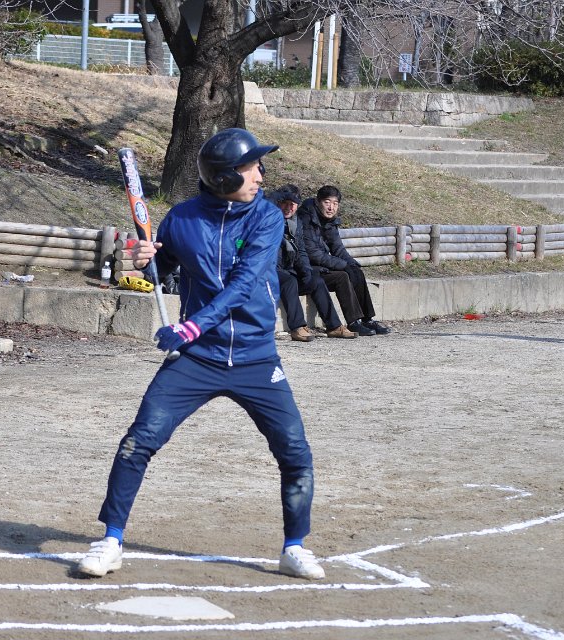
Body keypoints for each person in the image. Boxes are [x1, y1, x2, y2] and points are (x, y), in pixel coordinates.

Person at [77, 128, 325, 581]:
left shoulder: (267, 217)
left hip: (255, 355)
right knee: (138, 441)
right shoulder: (182, 218)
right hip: (196, 358)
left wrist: (191, 324)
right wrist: (145, 258)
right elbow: (163, 271)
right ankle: (111, 540)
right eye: (250, 168)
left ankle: (294, 547)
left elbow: (244, 284)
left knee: (294, 451)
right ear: (224, 177)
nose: (260, 176)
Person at [298, 185, 391, 337]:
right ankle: (353, 322)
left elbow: (338, 249)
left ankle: (367, 319)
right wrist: (343, 265)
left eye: (335, 203)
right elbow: (313, 254)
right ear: (317, 202)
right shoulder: (305, 219)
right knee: (342, 276)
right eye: (327, 202)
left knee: (356, 271)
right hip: (309, 269)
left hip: (322, 266)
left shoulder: (329, 220)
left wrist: (351, 264)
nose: (331, 207)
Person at [268, 184, 356, 342]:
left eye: (292, 204)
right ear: (278, 203)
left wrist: (306, 271)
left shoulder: (296, 223)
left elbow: (301, 251)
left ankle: (334, 327)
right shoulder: (268, 219)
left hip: (288, 269)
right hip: (268, 271)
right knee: (289, 281)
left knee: (316, 281)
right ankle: (297, 327)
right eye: (285, 203)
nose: (289, 208)